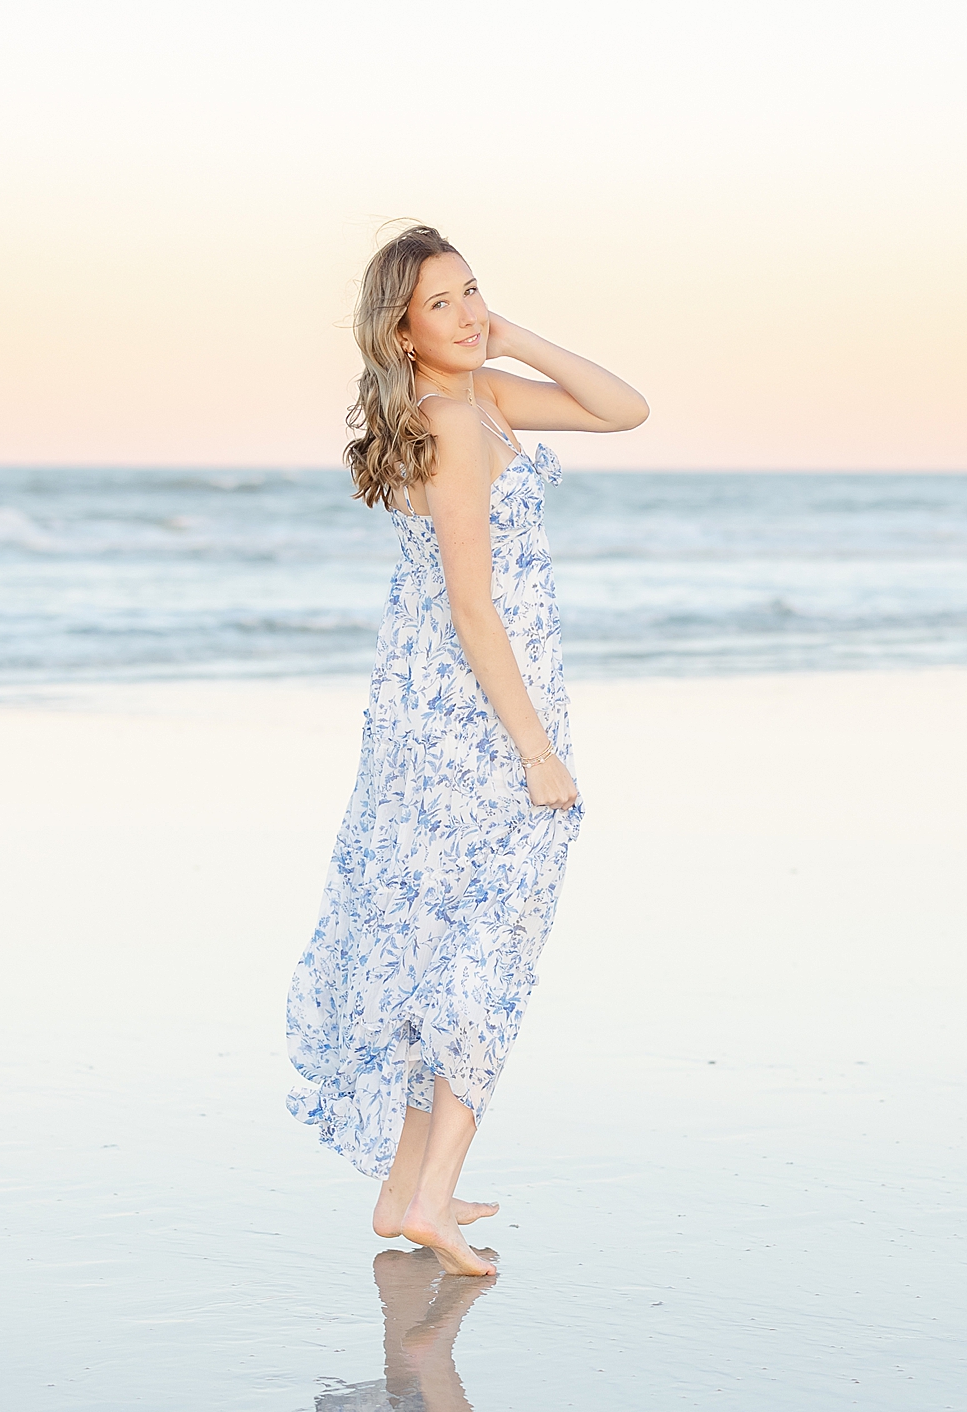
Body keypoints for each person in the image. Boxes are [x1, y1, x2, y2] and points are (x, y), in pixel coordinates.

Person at [286, 223, 648, 1274]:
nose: (466, 312)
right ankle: (432, 1195)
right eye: (440, 303)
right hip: (476, 719)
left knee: (444, 936)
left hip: (448, 707)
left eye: (472, 290)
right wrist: (535, 749)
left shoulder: (478, 395)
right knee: (486, 948)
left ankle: (407, 1188)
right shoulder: (453, 420)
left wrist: (508, 332)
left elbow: (623, 407)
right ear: (399, 332)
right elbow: (472, 603)